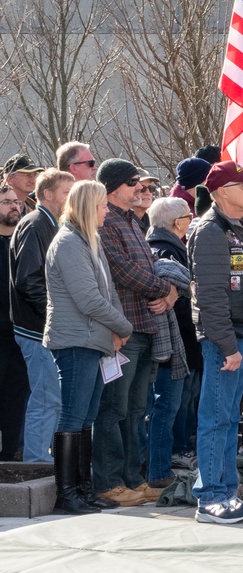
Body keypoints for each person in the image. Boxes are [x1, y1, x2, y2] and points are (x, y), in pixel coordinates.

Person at [187, 160, 243, 524]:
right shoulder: (210, 232)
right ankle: (210, 498)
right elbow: (211, 297)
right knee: (216, 418)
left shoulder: (236, 228)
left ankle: (227, 491)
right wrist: (227, 346)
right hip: (227, 339)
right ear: (222, 192)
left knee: (229, 419)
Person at [44, 180, 133, 514]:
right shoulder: (68, 243)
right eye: (102, 206)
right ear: (87, 207)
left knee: (87, 416)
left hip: (93, 339)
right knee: (73, 414)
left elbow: (108, 292)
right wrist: (123, 326)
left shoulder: (88, 242)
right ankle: (67, 493)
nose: (107, 211)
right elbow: (88, 299)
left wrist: (117, 328)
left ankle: (83, 488)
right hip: (75, 339)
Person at [94, 159, 178, 507]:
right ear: (114, 187)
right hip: (122, 329)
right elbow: (123, 270)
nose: (141, 191)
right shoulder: (107, 222)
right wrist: (164, 289)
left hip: (143, 325)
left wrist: (172, 291)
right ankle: (108, 481)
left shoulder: (132, 221)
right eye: (134, 184)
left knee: (135, 409)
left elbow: (151, 266)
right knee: (113, 408)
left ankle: (133, 479)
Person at [10, 169, 74, 463]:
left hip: (45, 326)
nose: (70, 199)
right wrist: (55, 315)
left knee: (52, 397)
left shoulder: (49, 224)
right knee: (46, 397)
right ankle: (36, 460)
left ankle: (43, 456)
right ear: (47, 194)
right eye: (65, 193)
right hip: (36, 329)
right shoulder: (36, 225)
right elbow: (29, 279)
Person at [144, 197, 198, 489]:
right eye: (189, 217)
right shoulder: (166, 251)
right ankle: (159, 471)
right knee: (166, 407)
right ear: (178, 223)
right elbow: (167, 304)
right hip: (170, 343)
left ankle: (160, 468)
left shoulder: (168, 247)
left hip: (179, 342)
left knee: (170, 406)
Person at [0, 186, 30, 462]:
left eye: (17, 202)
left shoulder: (23, 241)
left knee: (17, 397)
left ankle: (11, 453)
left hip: (19, 333)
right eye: (7, 202)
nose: (14, 206)